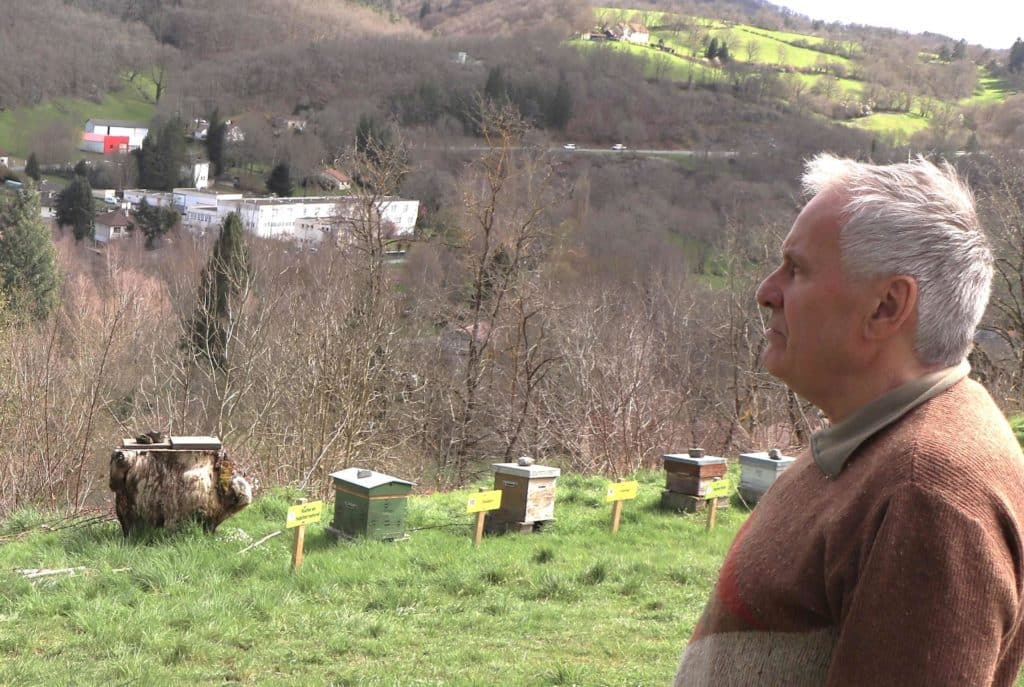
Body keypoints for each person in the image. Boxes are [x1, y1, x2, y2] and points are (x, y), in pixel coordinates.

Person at [675, 153, 1024, 686]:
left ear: (886, 305)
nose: (766, 292)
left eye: (798, 270)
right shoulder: (873, 442)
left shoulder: (927, 496)